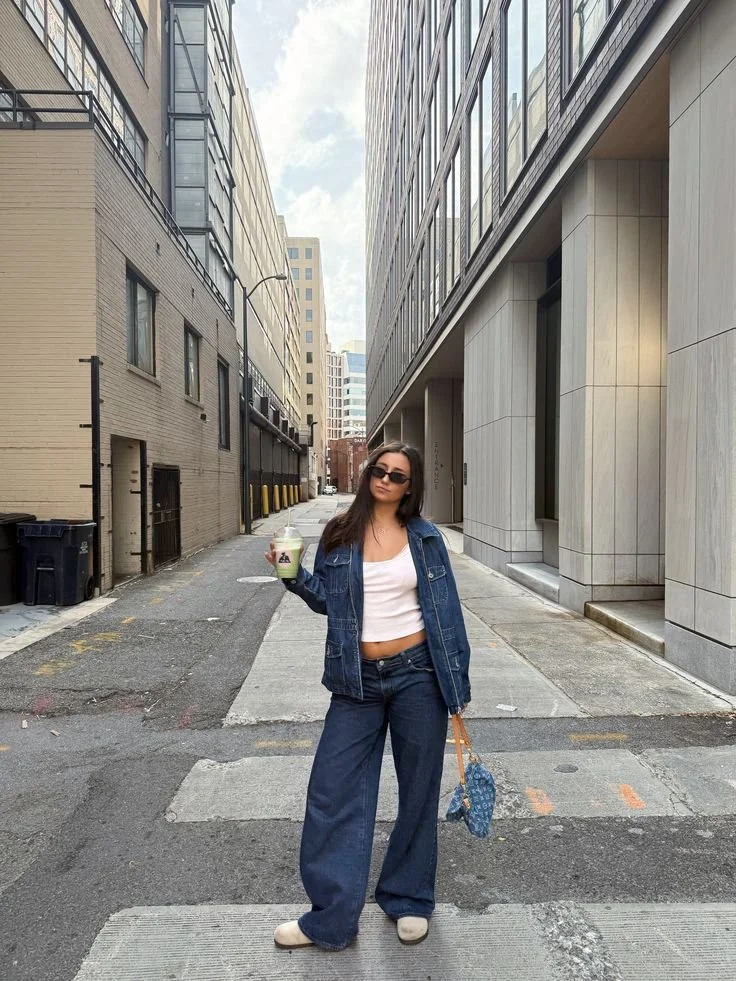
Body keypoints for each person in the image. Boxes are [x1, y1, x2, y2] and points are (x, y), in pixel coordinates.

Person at [264, 441, 471, 951]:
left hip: (418, 674)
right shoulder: (340, 532)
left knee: (418, 791)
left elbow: (447, 611)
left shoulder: (425, 538)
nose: (385, 480)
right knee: (332, 793)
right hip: (356, 680)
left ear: (410, 486)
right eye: (379, 470)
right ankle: (331, 919)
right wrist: (292, 577)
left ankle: (408, 897)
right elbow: (328, 601)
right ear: (367, 474)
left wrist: (456, 684)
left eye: (397, 475)